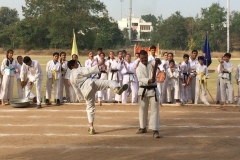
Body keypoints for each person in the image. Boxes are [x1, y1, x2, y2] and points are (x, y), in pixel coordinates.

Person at [68, 59, 128, 135]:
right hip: (91, 83)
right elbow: (89, 70)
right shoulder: (78, 70)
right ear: (72, 66)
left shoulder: (71, 78)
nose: (77, 64)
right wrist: (99, 64)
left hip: (85, 91)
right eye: (76, 63)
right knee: (110, 82)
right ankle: (116, 89)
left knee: (90, 108)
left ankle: (91, 128)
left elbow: (76, 89)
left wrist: (81, 97)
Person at [136, 50, 162, 138]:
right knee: (142, 109)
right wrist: (148, 80)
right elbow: (140, 78)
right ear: (139, 58)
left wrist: (158, 60)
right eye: (142, 58)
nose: (144, 59)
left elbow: (157, 61)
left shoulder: (152, 63)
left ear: (148, 57)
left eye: (145, 58)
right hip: (143, 90)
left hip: (153, 90)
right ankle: (143, 127)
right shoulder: (138, 68)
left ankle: (155, 130)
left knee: (155, 110)